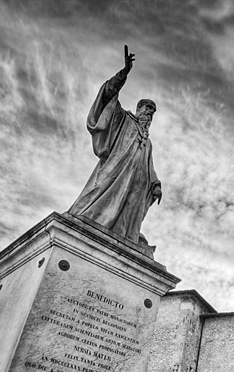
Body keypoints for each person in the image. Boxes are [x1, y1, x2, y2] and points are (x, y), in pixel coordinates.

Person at [67, 47, 162, 244]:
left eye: (152, 112)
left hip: (136, 185)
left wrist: (155, 184)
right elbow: (107, 97)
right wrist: (123, 74)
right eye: (147, 108)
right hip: (115, 174)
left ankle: (124, 237)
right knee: (97, 205)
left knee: (127, 222)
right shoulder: (123, 119)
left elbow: (149, 166)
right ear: (139, 108)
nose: (150, 113)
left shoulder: (148, 142)